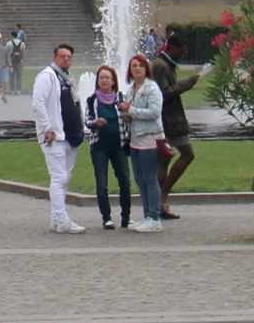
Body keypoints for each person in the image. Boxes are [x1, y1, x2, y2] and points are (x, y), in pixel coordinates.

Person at [31, 44, 85, 234]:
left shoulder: (68, 78)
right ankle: (63, 220)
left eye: (69, 56)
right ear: (55, 58)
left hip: (70, 135)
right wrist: (47, 128)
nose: (66, 59)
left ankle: (56, 219)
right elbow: (38, 103)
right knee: (59, 177)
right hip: (55, 135)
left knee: (65, 178)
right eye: (62, 56)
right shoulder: (47, 76)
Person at [153, 30, 200, 220]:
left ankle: (160, 200)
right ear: (171, 48)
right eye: (181, 51)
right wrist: (187, 83)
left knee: (169, 159)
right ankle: (161, 198)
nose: (183, 55)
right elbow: (163, 93)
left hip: (172, 120)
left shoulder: (167, 64)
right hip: (167, 121)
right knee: (182, 155)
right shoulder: (160, 66)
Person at [123, 54, 168, 232]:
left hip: (149, 137)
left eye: (140, 65)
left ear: (146, 69)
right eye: (134, 66)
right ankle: (147, 214)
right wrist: (127, 116)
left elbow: (155, 112)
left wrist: (132, 111)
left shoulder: (152, 88)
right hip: (135, 138)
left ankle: (155, 217)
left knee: (150, 178)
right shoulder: (130, 89)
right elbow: (131, 113)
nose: (137, 69)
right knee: (140, 179)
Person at [85, 65, 128, 230]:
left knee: (124, 181)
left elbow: (127, 117)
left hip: (119, 146)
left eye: (107, 78)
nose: (104, 81)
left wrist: (128, 115)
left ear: (113, 81)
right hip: (99, 147)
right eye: (101, 78)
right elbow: (87, 120)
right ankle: (107, 218)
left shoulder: (120, 98)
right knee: (102, 183)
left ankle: (126, 217)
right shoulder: (92, 100)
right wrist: (96, 123)